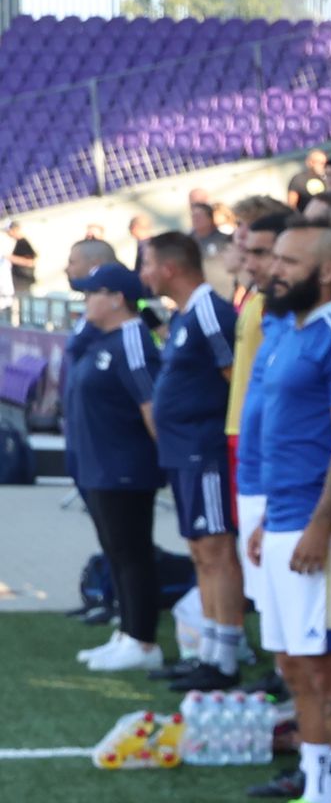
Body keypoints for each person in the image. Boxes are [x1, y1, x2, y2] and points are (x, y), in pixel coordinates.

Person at [241, 218, 331, 803]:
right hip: (285, 518)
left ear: (326, 271)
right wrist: (270, 520)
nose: (274, 270)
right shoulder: (287, 331)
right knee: (294, 663)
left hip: (326, 525)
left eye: (289, 261)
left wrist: (322, 522)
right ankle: (314, 789)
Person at [142, 230, 248, 688]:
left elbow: (234, 380)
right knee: (200, 551)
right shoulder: (184, 316)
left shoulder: (210, 312)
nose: (142, 274)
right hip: (184, 451)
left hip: (205, 451)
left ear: (169, 268)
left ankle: (225, 654)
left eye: (146, 264)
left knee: (217, 548)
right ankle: (208, 646)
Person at [65, 251, 167, 675]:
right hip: (100, 464)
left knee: (132, 552)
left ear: (118, 298)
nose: (86, 301)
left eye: (94, 294)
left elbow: (151, 403)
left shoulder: (131, 338)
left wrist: (167, 459)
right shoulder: (100, 338)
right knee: (116, 551)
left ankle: (143, 640)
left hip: (125, 466)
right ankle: (128, 632)